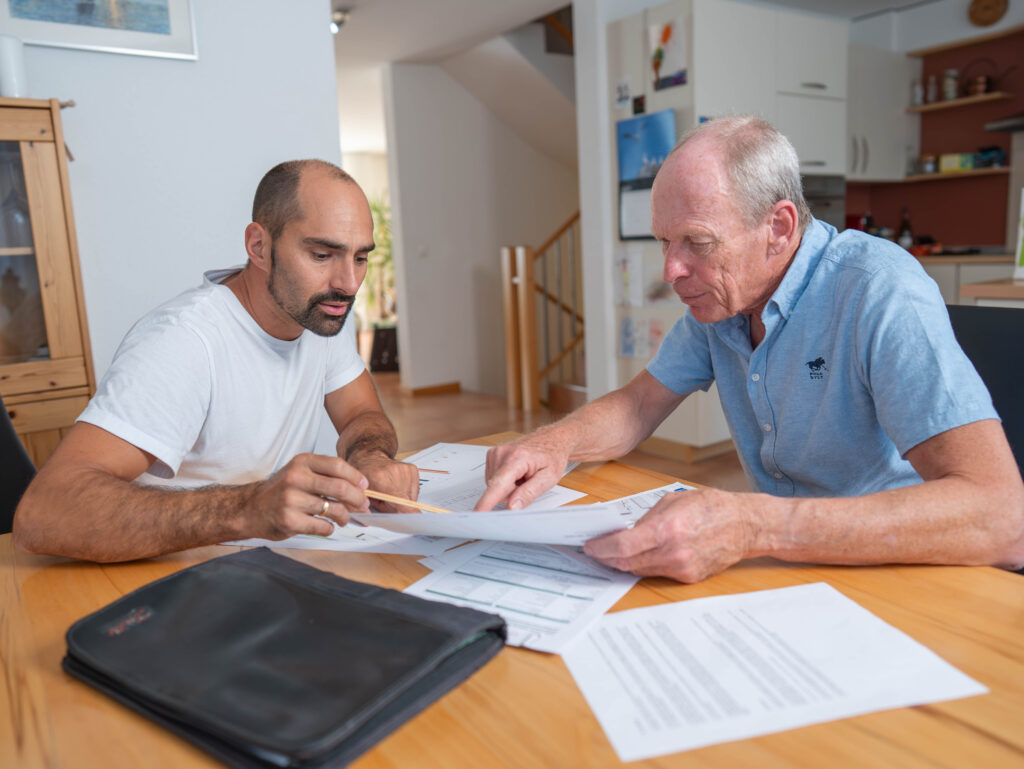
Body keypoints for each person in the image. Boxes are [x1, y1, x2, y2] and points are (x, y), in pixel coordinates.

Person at [476, 116, 1024, 583]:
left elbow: (1002, 516)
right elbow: (640, 403)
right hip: (790, 561)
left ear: (779, 228)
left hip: (902, 565)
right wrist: (556, 442)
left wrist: (753, 525)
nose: (671, 270)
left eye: (698, 242)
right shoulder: (723, 302)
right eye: (665, 241)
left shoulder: (880, 289)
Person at [13, 159, 418, 562]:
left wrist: (372, 457)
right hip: (160, 578)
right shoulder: (183, 339)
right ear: (259, 246)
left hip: (261, 570)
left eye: (360, 258)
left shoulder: (317, 313)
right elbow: (44, 513)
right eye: (322, 254)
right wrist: (247, 508)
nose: (348, 284)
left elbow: (360, 412)